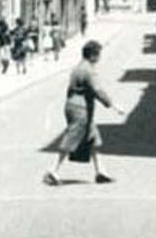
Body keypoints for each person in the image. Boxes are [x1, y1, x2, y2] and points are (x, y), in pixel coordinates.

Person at [44, 40, 125, 186]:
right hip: (81, 110)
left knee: (93, 139)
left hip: (74, 106)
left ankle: (100, 172)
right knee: (71, 138)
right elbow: (97, 90)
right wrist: (113, 105)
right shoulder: (88, 70)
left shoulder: (78, 67)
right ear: (93, 55)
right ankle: (53, 170)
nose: (100, 58)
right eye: (98, 54)